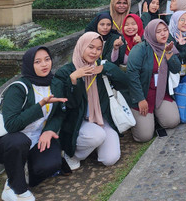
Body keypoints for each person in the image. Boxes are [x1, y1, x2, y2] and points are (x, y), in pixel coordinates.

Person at [0, 47, 67, 201]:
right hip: (11, 140)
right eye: (38, 62)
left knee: (49, 166)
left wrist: (49, 130)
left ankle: (24, 168)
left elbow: (59, 113)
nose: (44, 64)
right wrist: (41, 104)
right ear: (30, 64)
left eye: (47, 59)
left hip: (38, 137)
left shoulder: (55, 84)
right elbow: (12, 125)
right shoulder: (18, 88)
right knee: (19, 141)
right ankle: (15, 188)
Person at [53, 32, 130, 170]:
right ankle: (73, 155)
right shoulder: (66, 72)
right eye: (90, 47)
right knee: (97, 135)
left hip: (101, 118)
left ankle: (92, 145)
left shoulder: (100, 66)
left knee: (110, 159)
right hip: (79, 121)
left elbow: (125, 84)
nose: (94, 52)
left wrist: (106, 68)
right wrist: (73, 80)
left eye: (99, 48)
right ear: (81, 46)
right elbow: (70, 104)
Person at [127, 19, 181, 141]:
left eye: (165, 30)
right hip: (144, 93)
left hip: (161, 93)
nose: (163, 34)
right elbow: (132, 74)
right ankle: (146, 119)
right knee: (144, 136)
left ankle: (155, 117)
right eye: (158, 31)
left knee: (172, 121)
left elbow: (176, 68)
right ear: (151, 33)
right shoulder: (140, 49)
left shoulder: (168, 47)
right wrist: (140, 99)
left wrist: (169, 54)